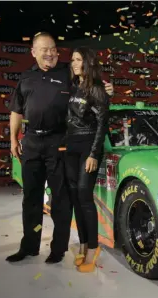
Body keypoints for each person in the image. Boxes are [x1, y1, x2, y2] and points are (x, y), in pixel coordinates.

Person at [7, 32, 113, 264]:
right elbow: (16, 111)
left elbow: (90, 78)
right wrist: (14, 140)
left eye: (53, 48)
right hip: (32, 143)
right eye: (44, 49)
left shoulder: (67, 71)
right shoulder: (25, 78)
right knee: (31, 198)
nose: (49, 53)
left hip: (59, 144)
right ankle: (30, 246)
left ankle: (58, 249)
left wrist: (105, 87)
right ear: (33, 52)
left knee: (61, 199)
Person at [64, 47, 109, 272]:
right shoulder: (73, 86)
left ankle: (93, 247)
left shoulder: (98, 89)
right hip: (70, 146)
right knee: (74, 196)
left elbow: (102, 125)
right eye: (72, 59)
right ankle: (82, 245)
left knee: (84, 195)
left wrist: (93, 153)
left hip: (88, 146)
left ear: (88, 63)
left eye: (78, 59)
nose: (74, 63)